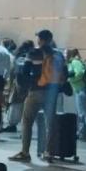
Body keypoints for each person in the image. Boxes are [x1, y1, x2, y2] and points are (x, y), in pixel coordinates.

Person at [30, 29, 67, 163]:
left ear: (41, 39)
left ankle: (25, 151)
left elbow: (29, 70)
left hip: (37, 89)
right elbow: (65, 72)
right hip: (53, 91)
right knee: (50, 122)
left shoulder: (37, 52)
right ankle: (49, 151)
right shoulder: (58, 54)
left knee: (27, 120)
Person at [66, 48, 86, 143]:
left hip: (83, 90)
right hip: (82, 89)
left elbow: (79, 73)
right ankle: (85, 133)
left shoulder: (75, 62)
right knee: (85, 112)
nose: (64, 55)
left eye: (65, 53)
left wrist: (70, 80)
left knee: (84, 113)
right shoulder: (75, 61)